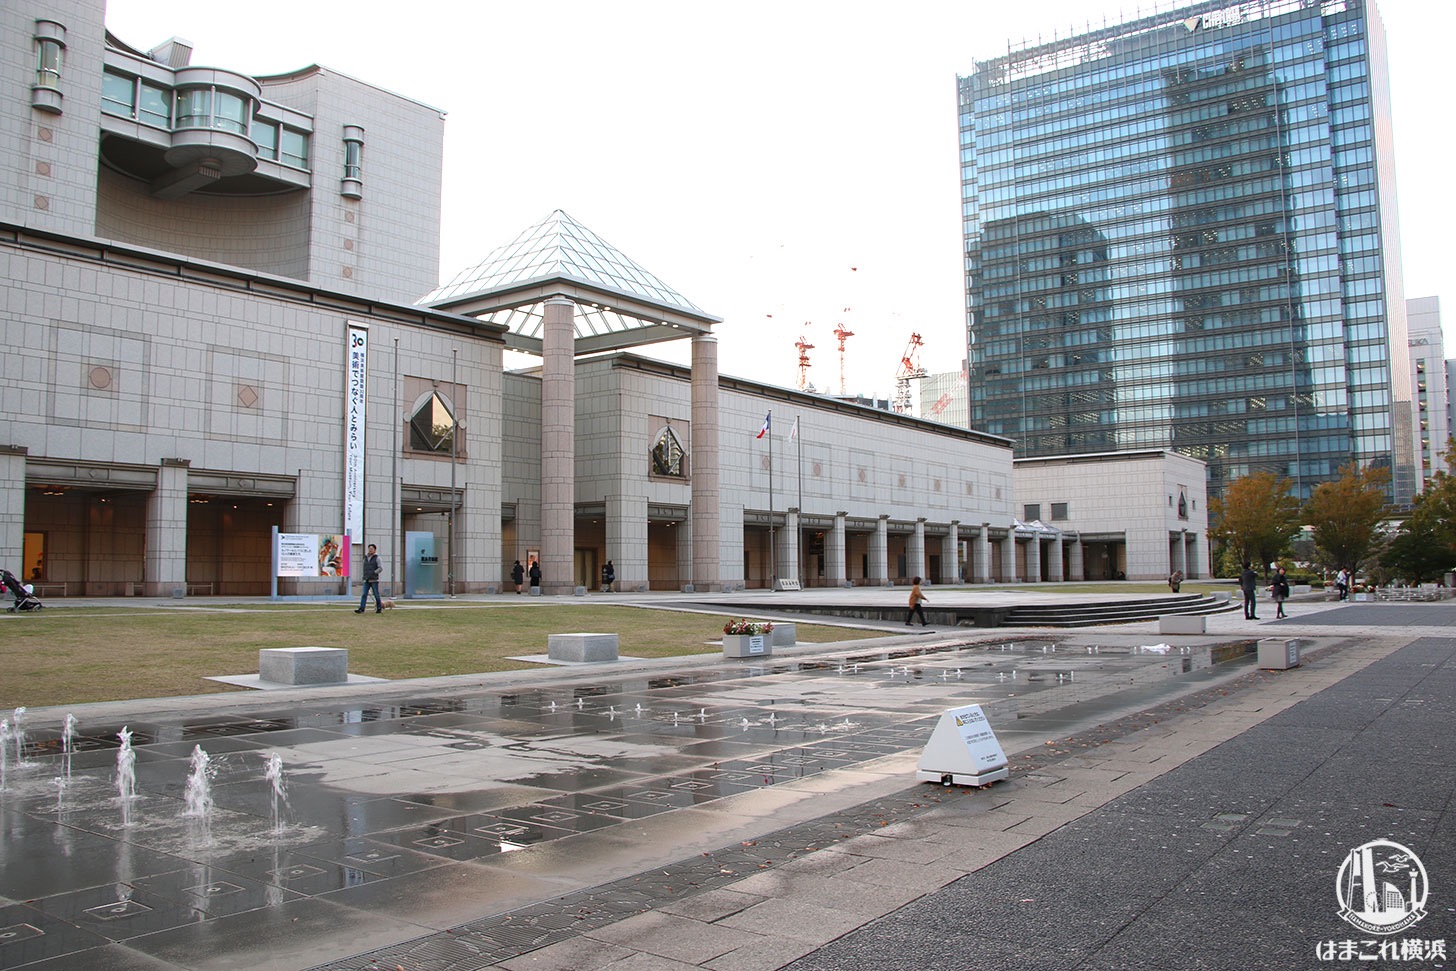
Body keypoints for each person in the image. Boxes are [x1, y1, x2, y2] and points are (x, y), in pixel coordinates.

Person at [355, 543, 382, 614]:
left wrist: (374, 572)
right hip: (366, 579)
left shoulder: (377, 558)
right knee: (364, 594)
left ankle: (379, 607)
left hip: (374, 579)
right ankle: (361, 608)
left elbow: (380, 568)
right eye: (369, 549)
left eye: (372, 549)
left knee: (376, 594)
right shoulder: (365, 558)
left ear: (375, 550)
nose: (370, 550)